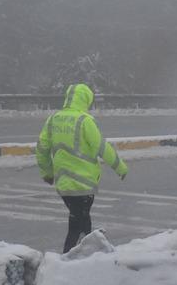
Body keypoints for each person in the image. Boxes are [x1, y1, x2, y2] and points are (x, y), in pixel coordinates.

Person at [36, 83, 128, 252]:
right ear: (85, 100)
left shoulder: (53, 119)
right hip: (84, 185)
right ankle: (70, 260)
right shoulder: (85, 121)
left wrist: (47, 173)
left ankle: (81, 257)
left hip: (64, 185)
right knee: (79, 226)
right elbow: (102, 147)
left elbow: (42, 148)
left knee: (80, 222)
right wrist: (120, 168)